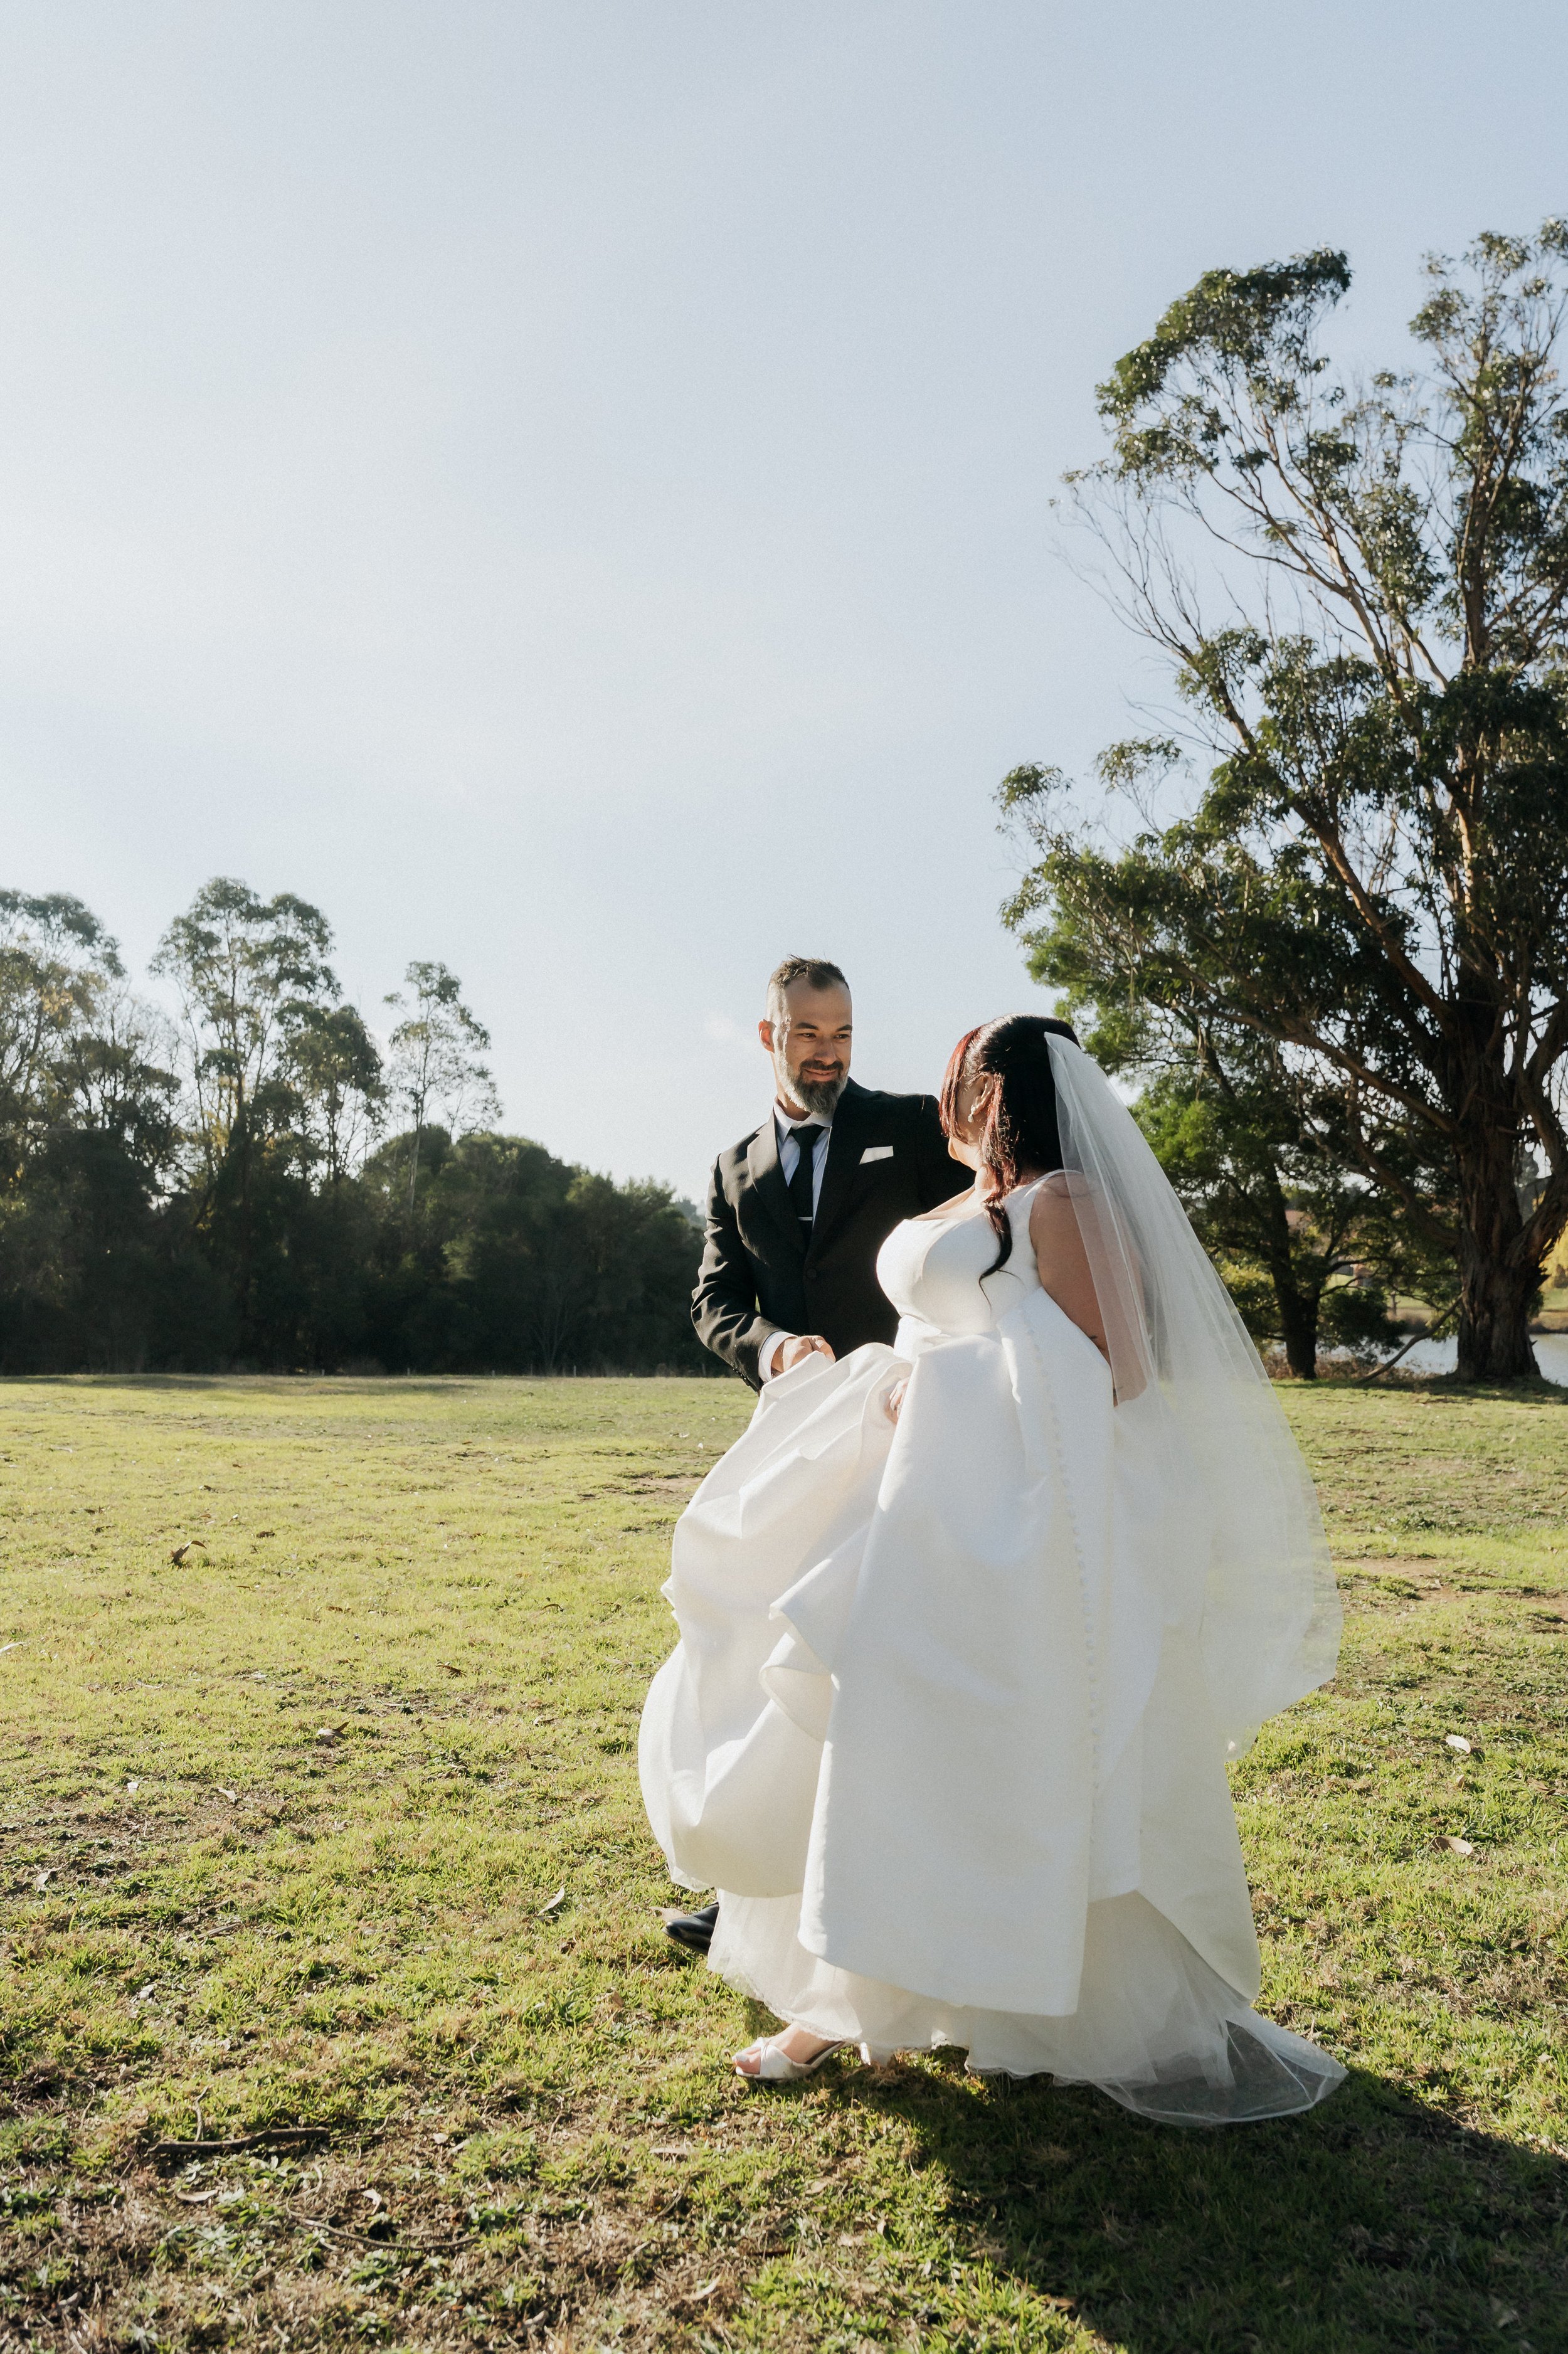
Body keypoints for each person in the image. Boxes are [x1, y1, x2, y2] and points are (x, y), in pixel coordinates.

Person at [640, 1015, 1346, 2122]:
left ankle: (928, 1998)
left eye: (960, 1079)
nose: (941, 1096)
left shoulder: (1065, 1203)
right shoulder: (965, 1198)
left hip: (1005, 1521)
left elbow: (1117, 1369)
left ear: (999, 1092)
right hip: (910, 1504)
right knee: (868, 1733)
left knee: (936, 1740)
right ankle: (851, 2000)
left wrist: (955, 1391)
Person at [664, 956, 953, 1957]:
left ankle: (878, 1897)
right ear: (768, 1036)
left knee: (862, 1665)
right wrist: (770, 1345)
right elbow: (714, 1301)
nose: (827, 1056)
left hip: (898, 1437)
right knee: (759, 1656)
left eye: (842, 1037)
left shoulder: (912, 1127)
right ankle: (753, 1896)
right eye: (807, 1037)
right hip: (786, 1441)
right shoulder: (733, 1164)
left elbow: (990, 1231)